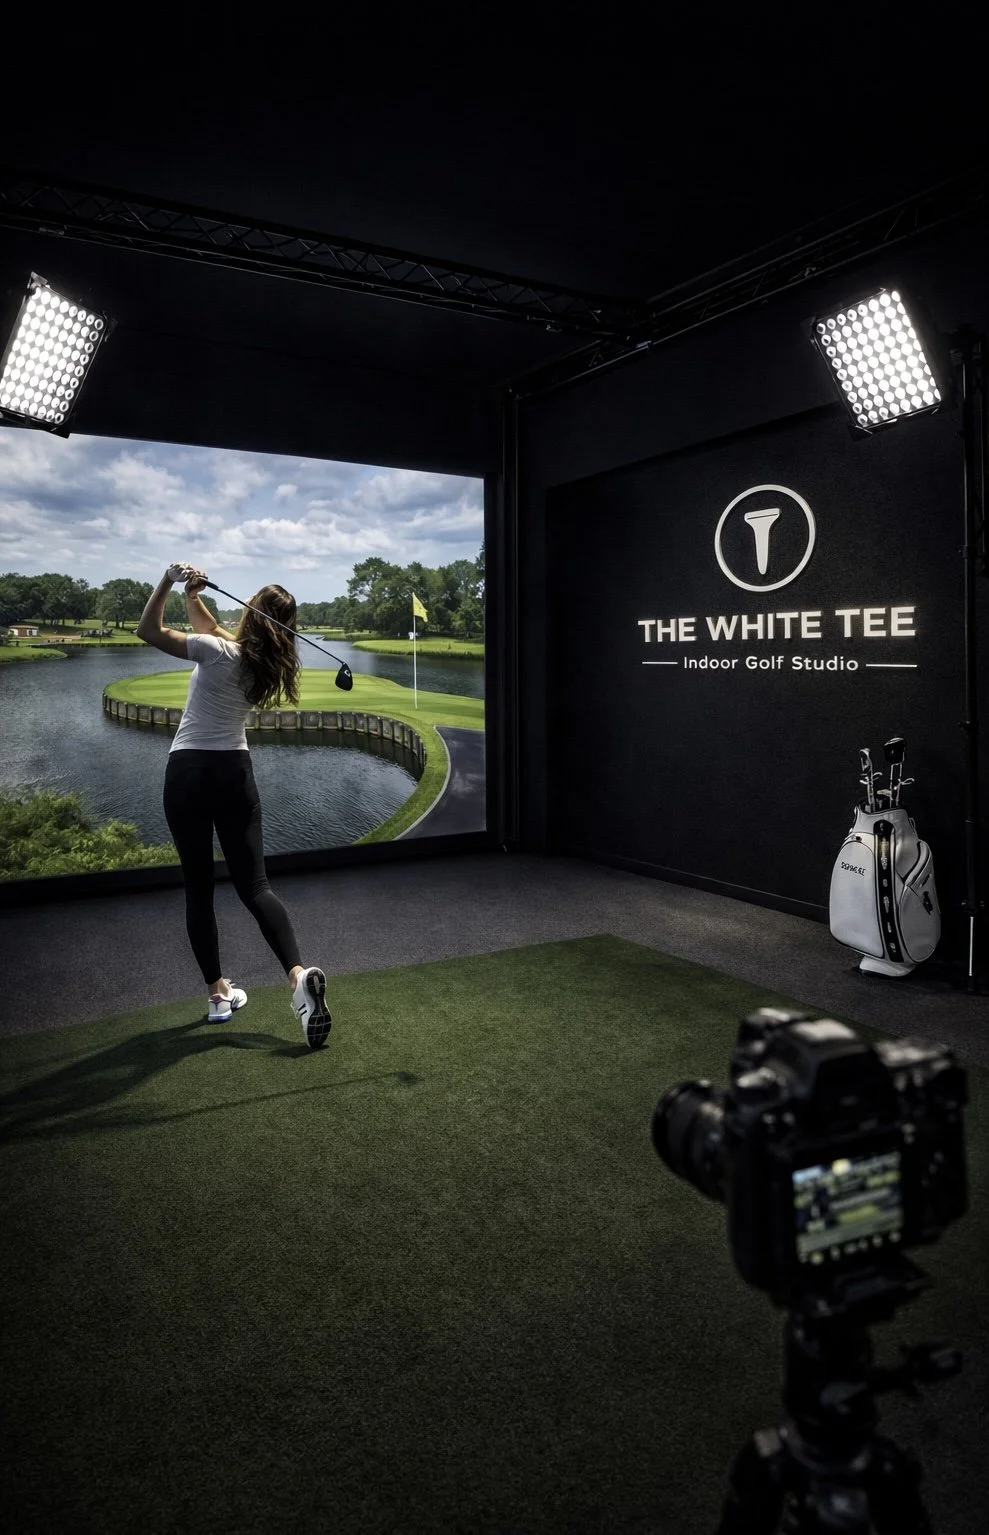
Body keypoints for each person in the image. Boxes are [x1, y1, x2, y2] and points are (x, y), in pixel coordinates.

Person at [135, 562, 332, 1049]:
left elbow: (148, 631)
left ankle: (218, 995)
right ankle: (297, 977)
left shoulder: (217, 651)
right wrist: (192, 596)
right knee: (256, 886)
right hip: (234, 774)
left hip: (188, 772)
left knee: (199, 889)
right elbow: (213, 630)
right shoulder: (265, 665)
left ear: (252, 613)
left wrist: (167, 581)